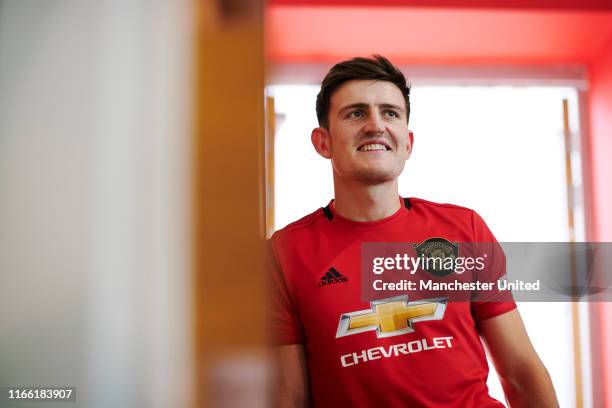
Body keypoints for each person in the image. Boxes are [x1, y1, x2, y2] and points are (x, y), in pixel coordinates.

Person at [268, 55, 558, 407]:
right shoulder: (284, 252)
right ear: (322, 142)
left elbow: (520, 369)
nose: (375, 125)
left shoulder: (463, 227)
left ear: (407, 142)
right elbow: (290, 397)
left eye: (390, 112)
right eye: (356, 113)